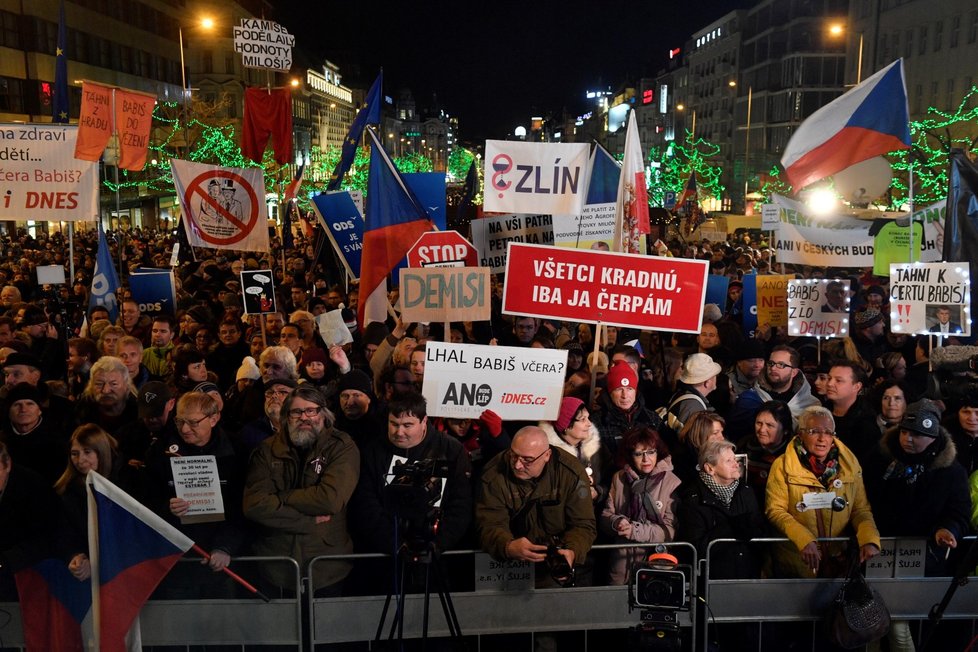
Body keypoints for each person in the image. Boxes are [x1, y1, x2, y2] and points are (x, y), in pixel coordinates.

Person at [243, 384, 360, 596]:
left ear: (323, 415)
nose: (304, 417)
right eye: (296, 412)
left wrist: (282, 497)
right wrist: (307, 520)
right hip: (277, 565)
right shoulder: (266, 451)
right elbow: (255, 505)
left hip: (327, 567)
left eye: (311, 411)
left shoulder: (342, 447)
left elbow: (329, 500)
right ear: (286, 417)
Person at [145, 392, 245, 596]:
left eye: (193, 422)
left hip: (221, 560)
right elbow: (145, 498)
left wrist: (225, 546)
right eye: (180, 421)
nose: (184, 429)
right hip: (176, 560)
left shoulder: (237, 450)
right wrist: (167, 506)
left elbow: (242, 507)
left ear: (214, 419)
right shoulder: (160, 451)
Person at [765, 406, 880, 578]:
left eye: (828, 432)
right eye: (814, 431)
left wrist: (869, 539)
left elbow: (860, 510)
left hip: (838, 563)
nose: (822, 438)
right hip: (797, 563)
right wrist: (803, 539)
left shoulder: (850, 466)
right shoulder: (782, 466)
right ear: (800, 434)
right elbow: (775, 511)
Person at [351, 392, 472, 554]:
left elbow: (460, 504)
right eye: (393, 424)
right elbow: (366, 504)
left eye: (407, 425)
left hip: (435, 551)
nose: (399, 432)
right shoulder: (372, 451)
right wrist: (394, 544)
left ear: (424, 421)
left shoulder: (451, 450)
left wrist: (439, 544)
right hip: (385, 551)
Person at [475, 426, 596, 587]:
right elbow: (489, 524)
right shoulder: (493, 476)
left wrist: (572, 551)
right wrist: (508, 546)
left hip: (554, 563)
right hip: (509, 567)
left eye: (527, 460)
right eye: (513, 455)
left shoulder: (571, 473)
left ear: (547, 455)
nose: (517, 465)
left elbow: (583, 524)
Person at [600, 426, 681, 584]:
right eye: (638, 454)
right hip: (621, 563)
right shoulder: (619, 478)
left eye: (651, 452)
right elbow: (605, 517)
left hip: (656, 564)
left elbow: (669, 532)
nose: (646, 459)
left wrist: (633, 530)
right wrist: (616, 522)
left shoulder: (671, 482)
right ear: (630, 455)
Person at [677, 439, 765, 579]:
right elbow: (695, 548)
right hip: (712, 581)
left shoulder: (746, 491)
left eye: (734, 459)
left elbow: (760, 535)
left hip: (747, 577)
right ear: (710, 469)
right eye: (728, 461)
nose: (736, 464)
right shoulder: (693, 500)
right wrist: (731, 526)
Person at [0, 441, 61, 600]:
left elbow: (46, 537)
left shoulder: (33, 486)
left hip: (26, 573)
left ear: (8, 465)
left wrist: (5, 561)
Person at [541, 396, 612, 509]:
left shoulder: (597, 448)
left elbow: (611, 479)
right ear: (566, 425)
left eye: (588, 418)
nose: (589, 424)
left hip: (594, 512)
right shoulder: (547, 454)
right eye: (582, 419)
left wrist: (598, 492)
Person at [593, 360, 664, 458]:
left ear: (635, 391)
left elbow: (664, 454)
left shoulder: (652, 419)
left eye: (629, 389)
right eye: (619, 389)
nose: (625, 396)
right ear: (610, 392)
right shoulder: (597, 422)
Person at [737, 400, 793, 508]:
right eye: (759, 423)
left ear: (785, 430)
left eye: (770, 425)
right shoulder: (743, 446)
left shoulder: (794, 453)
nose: (762, 430)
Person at [826, 360, 878, 462]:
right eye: (829, 378)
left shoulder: (866, 423)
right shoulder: (820, 412)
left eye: (838, 380)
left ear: (856, 387)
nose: (830, 384)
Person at [73, 356, 139, 436]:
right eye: (99, 384)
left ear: (126, 385)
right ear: (91, 386)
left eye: (114, 384)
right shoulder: (80, 412)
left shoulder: (140, 415)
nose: (106, 390)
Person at [672, 411, 726, 483]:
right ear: (700, 435)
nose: (722, 438)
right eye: (715, 433)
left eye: (721, 432)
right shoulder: (684, 462)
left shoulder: (714, 452)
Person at [945, 395, 978, 475]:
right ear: (957, 414)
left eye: (977, 413)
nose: (971, 418)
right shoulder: (944, 439)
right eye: (966, 412)